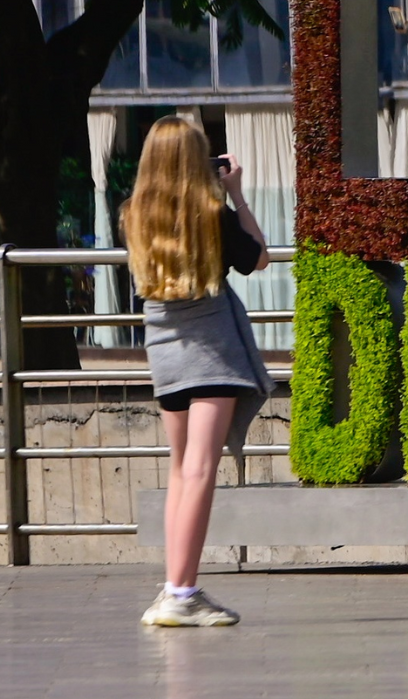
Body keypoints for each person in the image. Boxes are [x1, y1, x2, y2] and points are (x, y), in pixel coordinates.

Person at [123, 117, 273, 626]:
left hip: (164, 353)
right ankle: (181, 594)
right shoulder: (213, 214)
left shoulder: (134, 215)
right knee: (201, 472)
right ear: (196, 163)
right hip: (212, 353)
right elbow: (260, 259)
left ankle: (175, 587)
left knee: (180, 469)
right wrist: (237, 195)